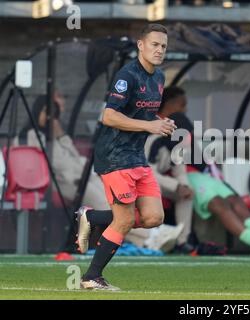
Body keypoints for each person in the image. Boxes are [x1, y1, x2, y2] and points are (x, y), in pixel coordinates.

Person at [78, 24, 177, 291]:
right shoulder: (127, 75)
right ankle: (91, 277)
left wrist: (159, 122)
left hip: (136, 156)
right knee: (123, 220)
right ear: (140, 45)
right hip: (114, 155)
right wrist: (149, 126)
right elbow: (109, 116)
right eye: (154, 44)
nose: (159, 50)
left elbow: (141, 114)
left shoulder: (159, 77)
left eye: (164, 46)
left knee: (154, 217)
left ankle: (93, 218)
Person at [152, 86, 250, 258]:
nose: (185, 109)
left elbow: (190, 153)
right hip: (184, 177)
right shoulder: (157, 126)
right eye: (182, 104)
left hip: (200, 174)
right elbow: (170, 161)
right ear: (169, 104)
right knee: (219, 203)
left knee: (234, 199)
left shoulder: (179, 122)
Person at [18, 92, 110, 210]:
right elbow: (56, 163)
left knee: (107, 192)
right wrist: (76, 169)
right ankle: (121, 224)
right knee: (101, 201)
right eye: (46, 112)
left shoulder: (54, 136)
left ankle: (127, 223)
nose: (49, 117)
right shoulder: (31, 135)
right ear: (37, 112)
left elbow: (75, 156)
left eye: (53, 114)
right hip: (60, 182)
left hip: (76, 177)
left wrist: (61, 136)